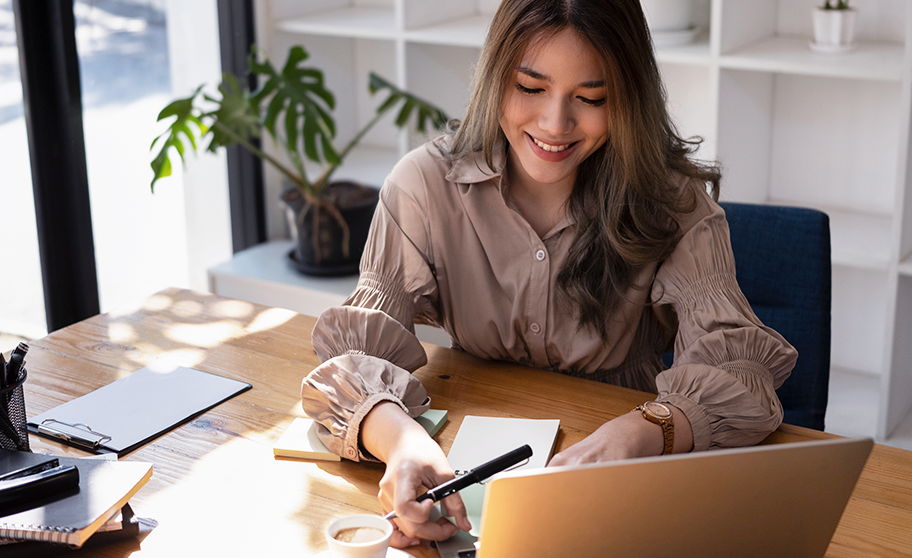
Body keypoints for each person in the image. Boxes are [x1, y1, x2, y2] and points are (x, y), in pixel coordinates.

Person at [301, 0, 797, 549]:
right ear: (495, 76)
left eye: (591, 99)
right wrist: (400, 443)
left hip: (621, 475)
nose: (555, 124)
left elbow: (744, 370)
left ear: (627, 99)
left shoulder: (674, 205)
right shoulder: (423, 186)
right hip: (467, 459)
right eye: (530, 88)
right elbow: (351, 361)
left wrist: (646, 430)